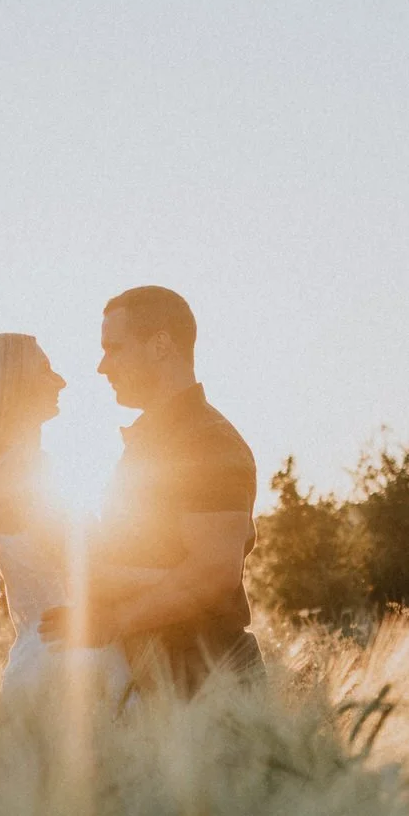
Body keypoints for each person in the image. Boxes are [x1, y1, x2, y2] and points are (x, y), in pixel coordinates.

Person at [41, 286, 261, 695]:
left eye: (114, 348)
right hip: (161, 676)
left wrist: (112, 622)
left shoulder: (206, 442)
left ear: (160, 344)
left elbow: (214, 573)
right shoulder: (153, 442)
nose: (102, 366)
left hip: (206, 678)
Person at [0, 332, 131, 700]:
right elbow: (94, 567)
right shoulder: (22, 470)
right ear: (11, 383)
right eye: (45, 369)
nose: (61, 381)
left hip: (45, 659)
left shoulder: (5, 470)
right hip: (74, 664)